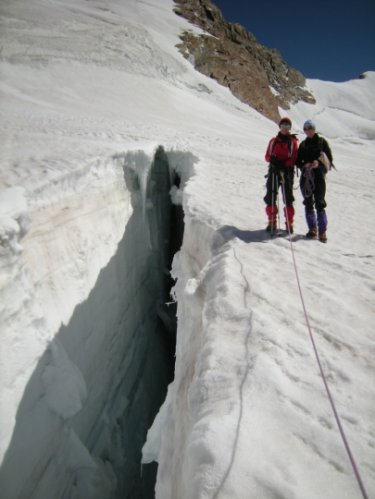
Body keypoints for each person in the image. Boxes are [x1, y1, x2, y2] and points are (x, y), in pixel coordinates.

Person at [296, 119, 333, 243]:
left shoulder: (322, 142)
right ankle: (312, 228)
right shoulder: (303, 144)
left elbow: (329, 160)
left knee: (320, 202)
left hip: (319, 177)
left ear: (314, 128)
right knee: (308, 201)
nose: (308, 130)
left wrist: (319, 164)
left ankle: (322, 231)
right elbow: (298, 161)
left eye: (310, 127)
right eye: (305, 128)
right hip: (306, 177)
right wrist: (304, 166)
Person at [264, 117, 298, 233]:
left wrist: (283, 164)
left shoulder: (293, 142)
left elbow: (293, 158)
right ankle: (272, 220)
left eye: (287, 126)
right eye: (283, 126)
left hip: (286, 172)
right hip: (274, 171)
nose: (285, 128)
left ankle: (289, 223)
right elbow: (267, 156)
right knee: (270, 196)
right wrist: (273, 161)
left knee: (288, 197)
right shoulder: (273, 141)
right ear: (280, 127)